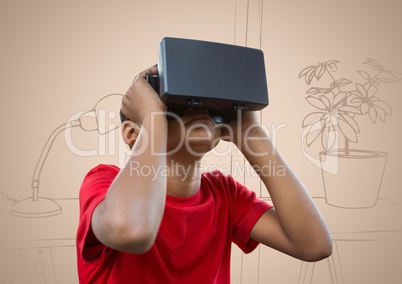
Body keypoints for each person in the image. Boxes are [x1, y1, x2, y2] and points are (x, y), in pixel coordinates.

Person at [76, 66, 332, 283]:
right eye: (175, 103)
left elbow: (314, 245)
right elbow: (131, 231)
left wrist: (250, 133)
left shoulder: (224, 194)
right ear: (132, 134)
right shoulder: (103, 182)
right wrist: (153, 116)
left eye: (207, 106)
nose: (197, 109)